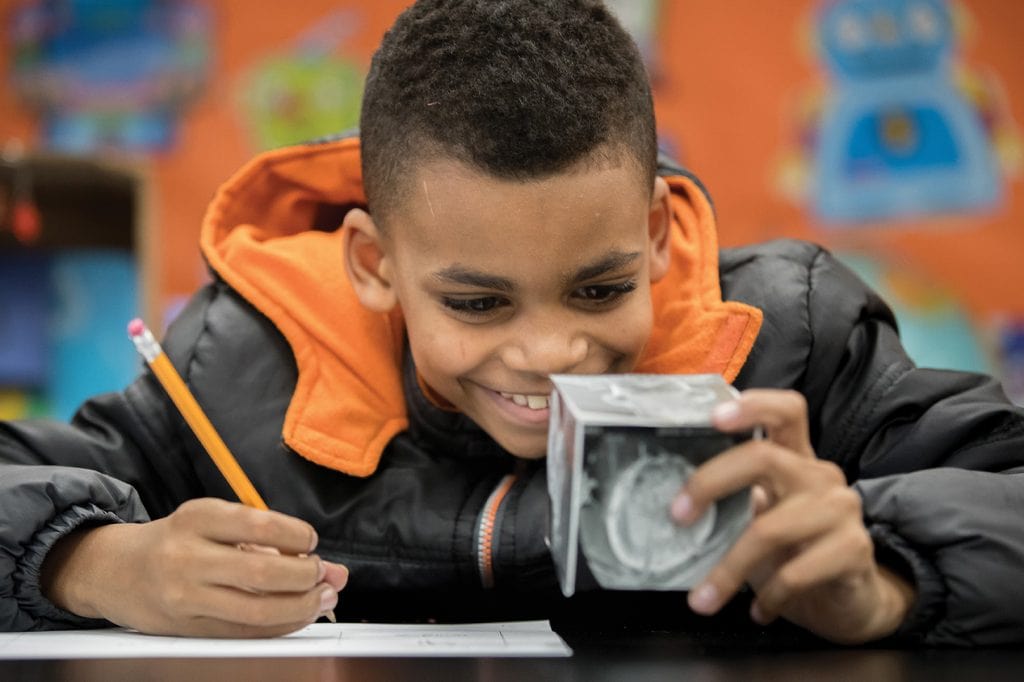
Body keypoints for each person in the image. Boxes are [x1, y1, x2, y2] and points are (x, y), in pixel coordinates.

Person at [2, 0, 1023, 646]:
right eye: (476, 302)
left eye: (598, 288)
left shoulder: (788, 343)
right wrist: (93, 563)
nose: (547, 351)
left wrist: (884, 577)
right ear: (373, 264)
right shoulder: (235, 370)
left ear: (661, 236)